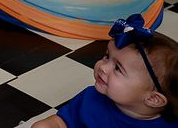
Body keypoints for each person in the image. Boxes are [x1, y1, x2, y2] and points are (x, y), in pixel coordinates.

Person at [32, 15, 178, 126]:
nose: (102, 67)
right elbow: (60, 122)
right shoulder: (91, 99)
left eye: (118, 68)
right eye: (107, 56)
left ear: (153, 99)